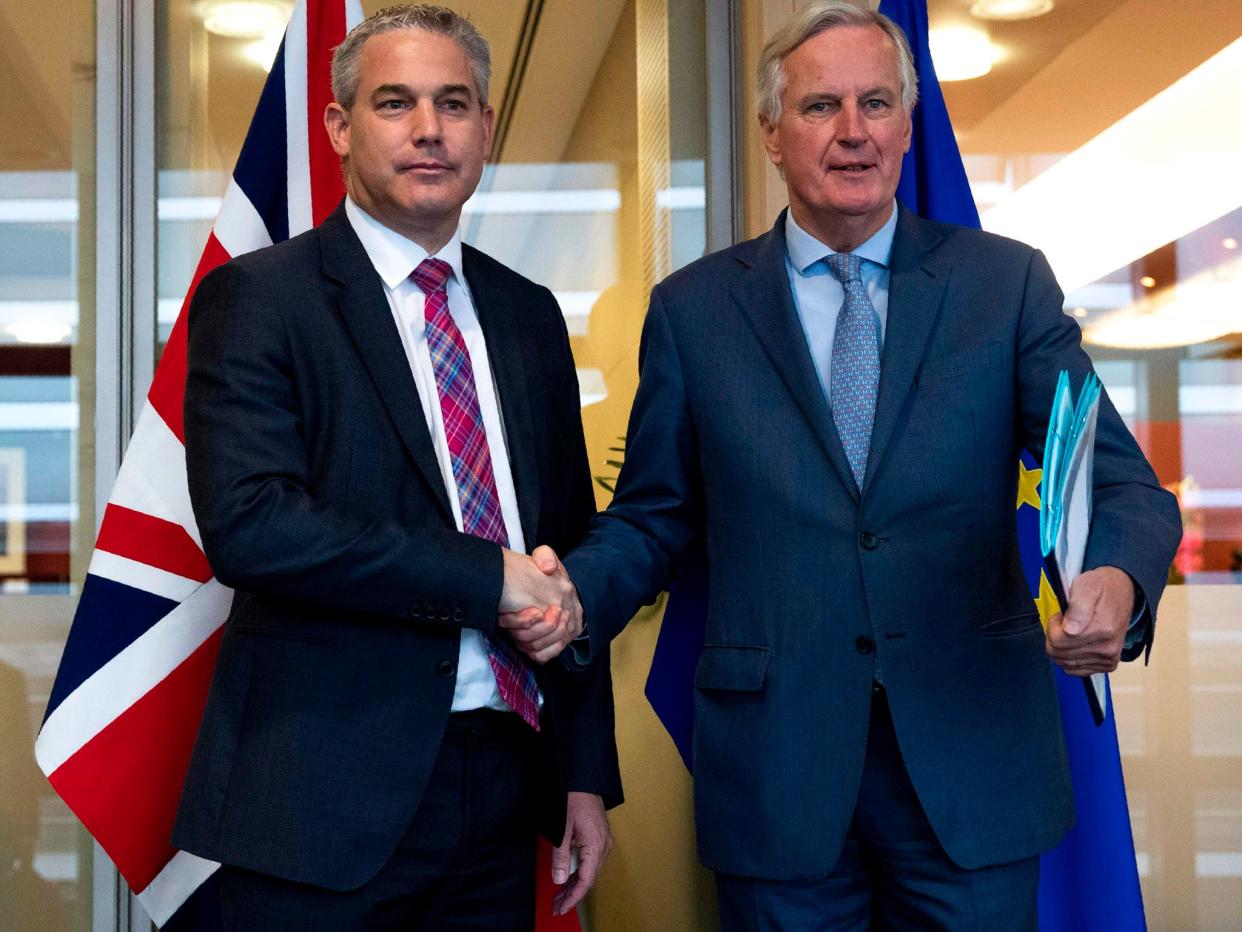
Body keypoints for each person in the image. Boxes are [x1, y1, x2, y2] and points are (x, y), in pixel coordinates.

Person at [509, 2, 1181, 928]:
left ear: (909, 124)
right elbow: (653, 516)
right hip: (778, 771)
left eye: (877, 103)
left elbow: (1118, 482)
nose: (855, 131)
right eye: (823, 106)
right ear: (773, 133)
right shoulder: (695, 311)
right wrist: (572, 594)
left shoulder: (1004, 286)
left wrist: (1113, 579)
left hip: (971, 755)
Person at [173, 6, 620, 930]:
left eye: (453, 104)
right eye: (395, 103)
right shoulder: (259, 299)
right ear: (340, 128)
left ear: (485, 129)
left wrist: (585, 774)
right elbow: (252, 525)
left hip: (505, 782)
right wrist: (480, 575)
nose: (428, 129)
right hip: (320, 796)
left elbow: (565, 546)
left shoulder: (529, 313)